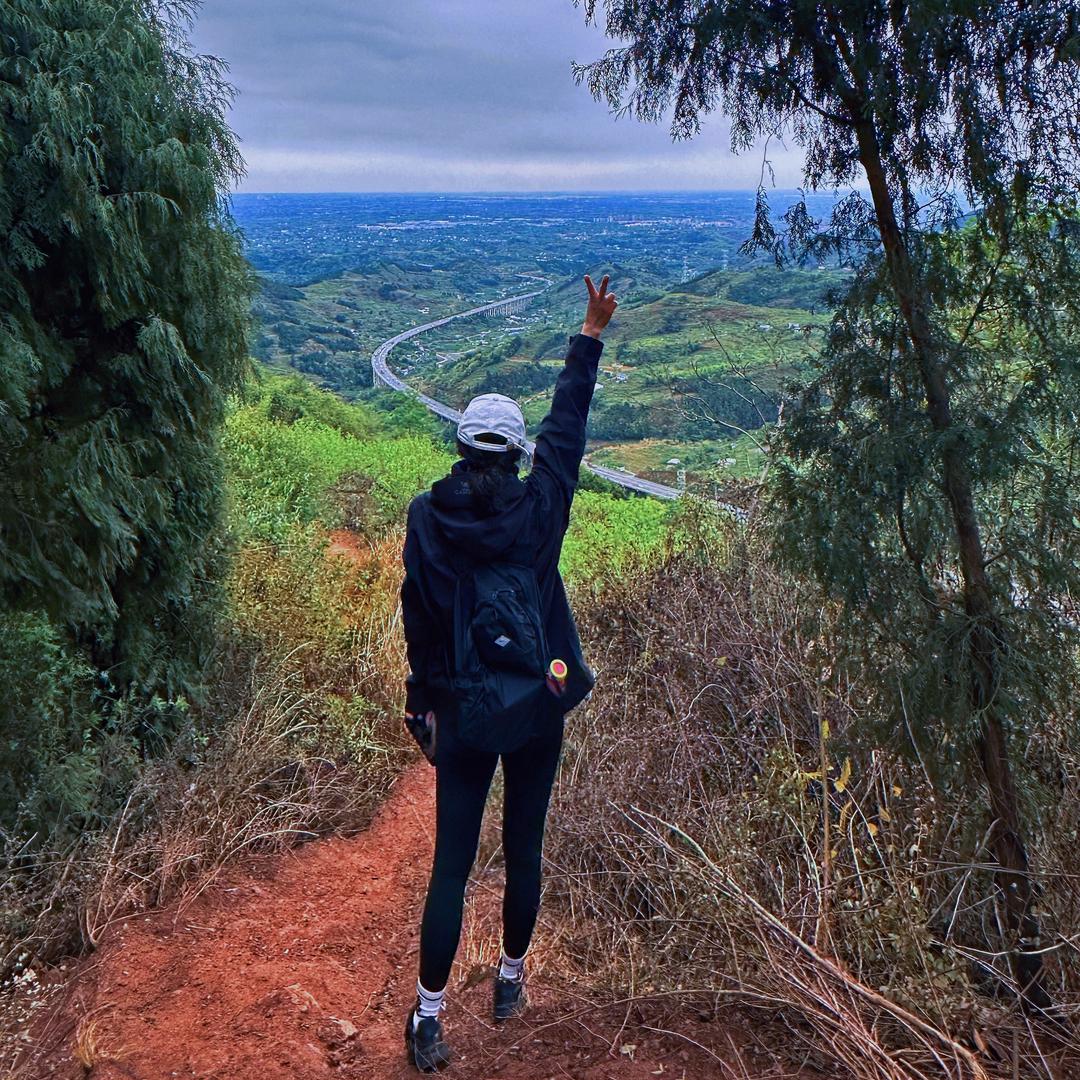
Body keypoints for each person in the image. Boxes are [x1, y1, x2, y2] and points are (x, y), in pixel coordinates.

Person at [399, 274, 617, 1072]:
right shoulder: (540, 513)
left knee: (451, 866)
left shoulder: (427, 519)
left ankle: (427, 1021)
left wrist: (422, 707)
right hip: (536, 707)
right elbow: (567, 433)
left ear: (460, 449)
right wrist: (587, 335)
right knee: (524, 848)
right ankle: (510, 983)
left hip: (460, 711)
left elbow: (418, 619)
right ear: (515, 452)